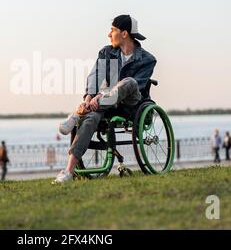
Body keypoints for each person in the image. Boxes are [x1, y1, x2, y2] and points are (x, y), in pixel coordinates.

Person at [54, 15, 156, 184]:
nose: (109, 34)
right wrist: (88, 98)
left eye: (112, 30)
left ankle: (77, 115)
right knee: (91, 118)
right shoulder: (106, 52)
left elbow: (138, 85)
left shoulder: (147, 59)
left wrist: (102, 96)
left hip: (131, 105)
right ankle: (68, 171)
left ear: (124, 33)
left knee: (129, 81)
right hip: (106, 105)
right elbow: (96, 76)